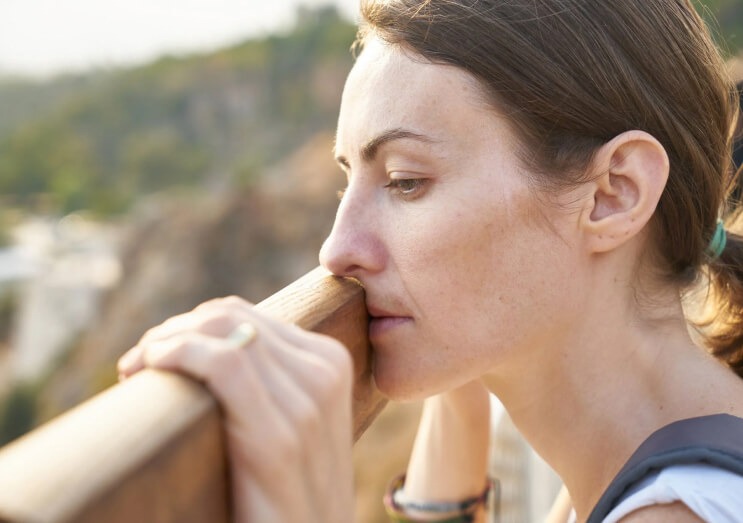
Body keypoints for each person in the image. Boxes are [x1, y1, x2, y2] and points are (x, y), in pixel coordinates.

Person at [117, 1, 743, 521]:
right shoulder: (651, 455)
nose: (335, 250)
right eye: (347, 182)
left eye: (406, 181)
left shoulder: (676, 512)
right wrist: (457, 384)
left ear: (614, 194)